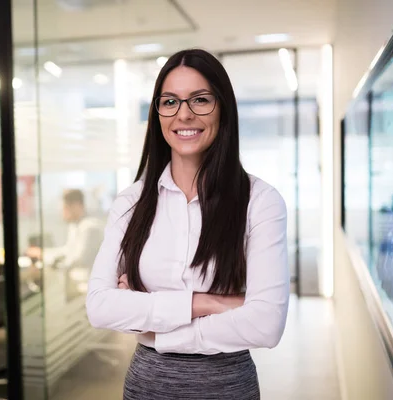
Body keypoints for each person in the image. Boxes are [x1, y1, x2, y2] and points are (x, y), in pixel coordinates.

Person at [85, 49, 290, 400]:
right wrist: (207, 303)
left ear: (223, 108)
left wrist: (156, 326)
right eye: (170, 102)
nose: (184, 114)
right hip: (146, 386)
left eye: (200, 100)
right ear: (158, 112)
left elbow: (266, 324)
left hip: (227, 388)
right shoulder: (130, 204)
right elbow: (100, 307)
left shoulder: (260, 202)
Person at [27, 189, 103, 271]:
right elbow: (67, 250)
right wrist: (42, 253)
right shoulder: (75, 226)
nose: (62, 213)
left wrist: (46, 258)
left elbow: (78, 260)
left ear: (76, 206)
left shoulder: (90, 227)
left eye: (64, 208)